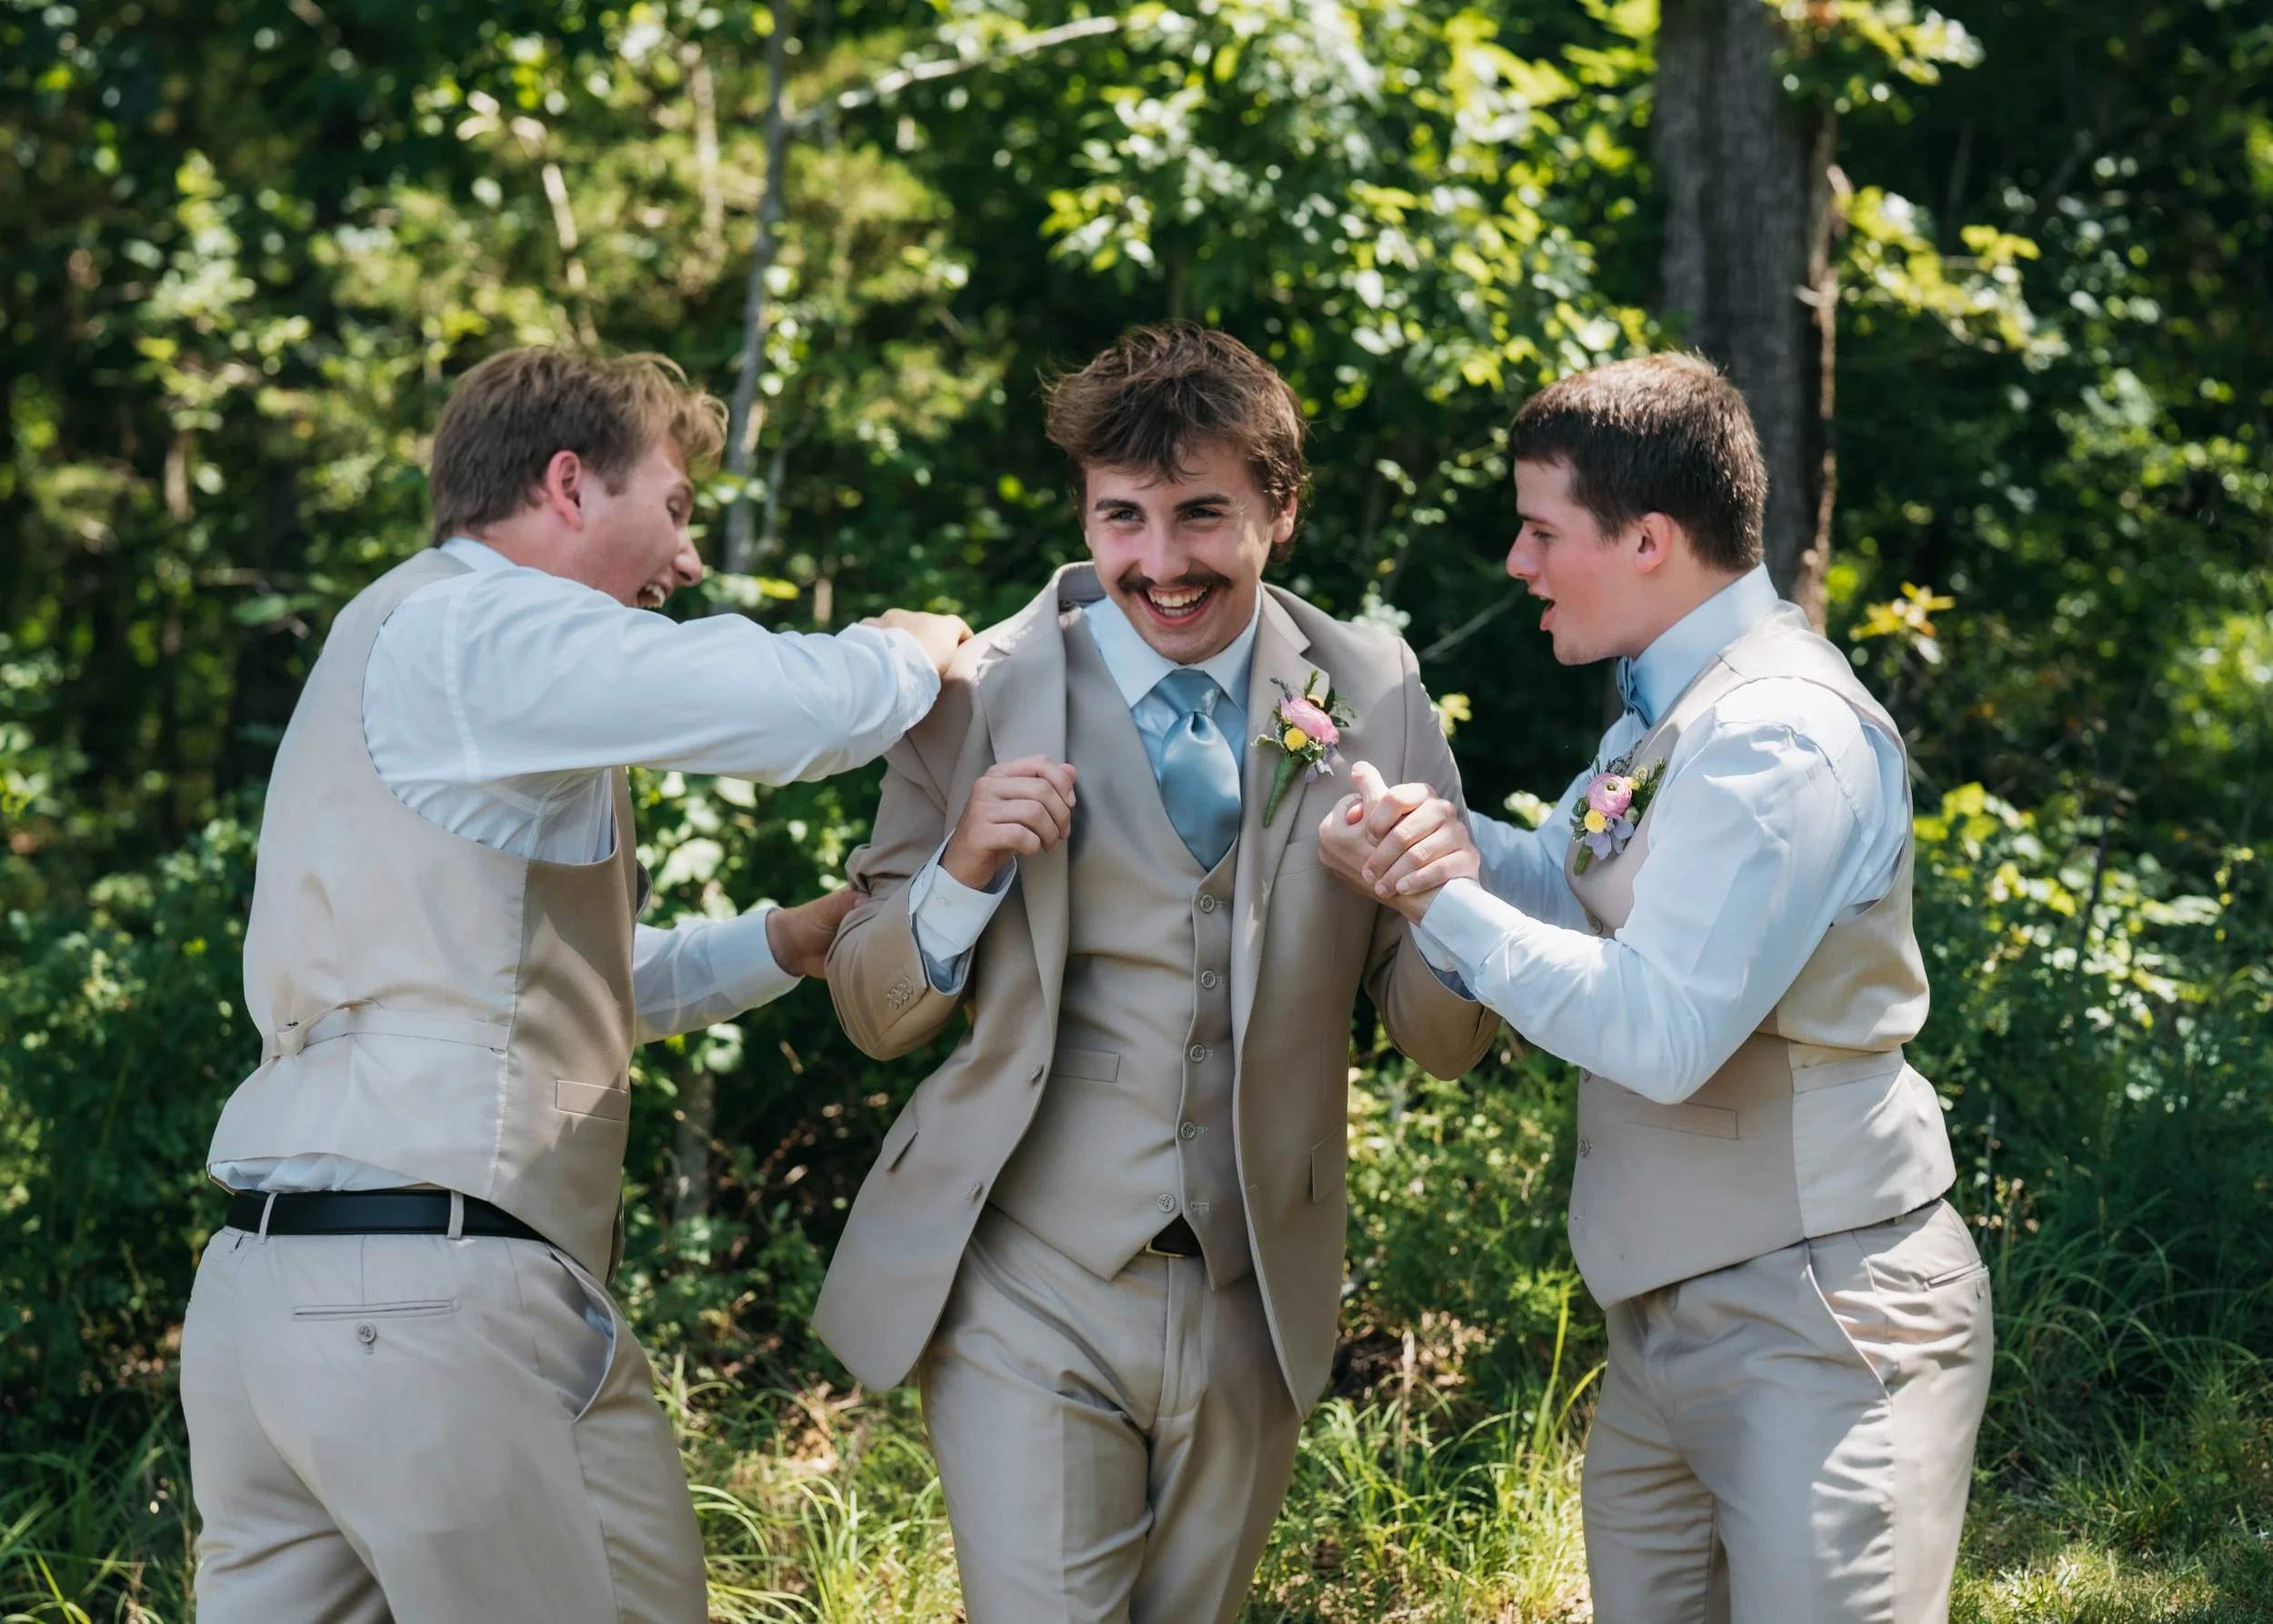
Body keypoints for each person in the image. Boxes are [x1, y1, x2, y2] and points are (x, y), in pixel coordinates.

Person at [181, 346, 970, 1624]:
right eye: (675, 507)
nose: (689, 558)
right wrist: (905, 652)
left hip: (261, 1305)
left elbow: (532, 988)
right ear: (566, 486)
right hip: (430, 1299)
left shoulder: (398, 633)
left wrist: (784, 938)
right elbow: (784, 712)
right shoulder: (481, 625)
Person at [813, 324, 1498, 1624]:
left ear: (1278, 511)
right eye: (1123, 518)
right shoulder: (971, 696)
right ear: (1085, 510)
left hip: (1255, 1286)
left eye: (1202, 516)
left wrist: (1447, 899)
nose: (1162, 563)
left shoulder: (1371, 689)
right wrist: (961, 868)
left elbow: (1441, 1037)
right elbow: (870, 1009)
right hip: (1028, 1278)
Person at [1325, 352, 1993, 1623]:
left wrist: (1439, 903)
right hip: (1667, 1325)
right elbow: (1569, 875)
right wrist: (1441, 839)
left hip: (1826, 1320)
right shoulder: (1659, 717)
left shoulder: (1779, 734)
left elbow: (1665, 1027)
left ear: (1646, 538)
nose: (1517, 564)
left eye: (1539, 530)